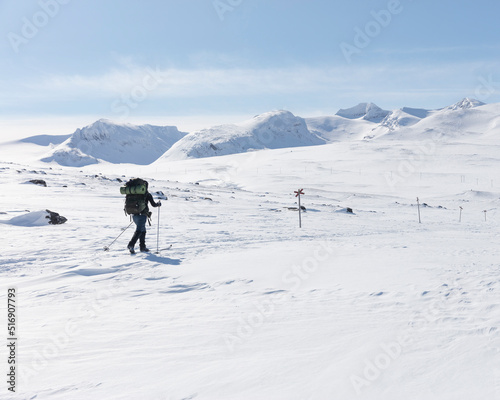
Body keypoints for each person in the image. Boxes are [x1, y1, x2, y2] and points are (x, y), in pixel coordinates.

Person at [127, 181, 161, 254]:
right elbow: (153, 204)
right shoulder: (147, 194)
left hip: (134, 214)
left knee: (143, 230)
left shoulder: (133, 193)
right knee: (139, 230)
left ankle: (142, 247)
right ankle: (131, 245)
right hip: (142, 215)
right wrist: (158, 204)